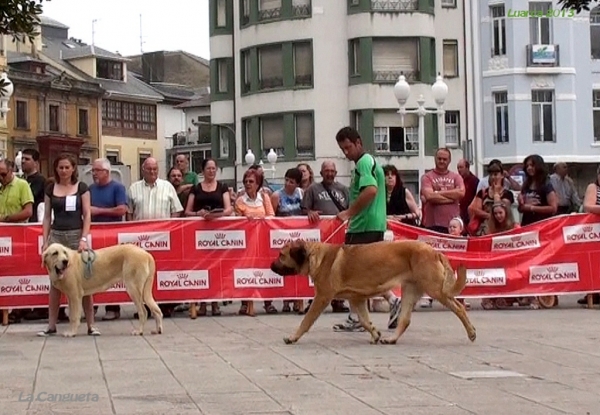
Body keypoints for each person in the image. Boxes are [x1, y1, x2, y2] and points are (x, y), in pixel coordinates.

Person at [332, 126, 401, 332]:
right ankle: (390, 301)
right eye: (342, 149)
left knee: (352, 274)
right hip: (369, 224)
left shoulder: (364, 162)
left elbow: (370, 190)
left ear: (358, 142)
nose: (346, 153)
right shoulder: (367, 163)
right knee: (365, 274)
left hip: (365, 225)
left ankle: (359, 317)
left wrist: (348, 212)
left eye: (348, 147)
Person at [37, 153, 99, 337]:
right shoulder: (50, 188)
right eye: (60, 167)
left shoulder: (81, 188)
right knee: (55, 283)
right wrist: (45, 240)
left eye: (67, 167)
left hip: (76, 237)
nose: (63, 171)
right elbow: (47, 216)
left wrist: (84, 238)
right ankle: (51, 325)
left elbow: (87, 214)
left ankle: (90, 325)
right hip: (57, 237)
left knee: (84, 281)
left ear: (73, 169)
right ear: (56, 169)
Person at [127, 157, 184, 317]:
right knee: (141, 274)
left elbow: (176, 210)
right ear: (143, 170)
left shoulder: (167, 187)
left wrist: (170, 227)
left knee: (163, 271)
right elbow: (129, 213)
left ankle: (164, 305)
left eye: (155, 169)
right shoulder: (133, 188)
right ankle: (143, 308)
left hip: (163, 239)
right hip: (140, 240)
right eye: (149, 169)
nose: (152, 172)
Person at [301, 160, 350, 314]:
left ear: (335, 173)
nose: (329, 173)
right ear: (321, 173)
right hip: (320, 237)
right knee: (318, 269)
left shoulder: (343, 189)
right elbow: (303, 208)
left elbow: (350, 208)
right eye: (326, 171)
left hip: (339, 235)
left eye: (332, 171)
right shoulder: (312, 189)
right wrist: (309, 212)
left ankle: (338, 300)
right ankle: (314, 300)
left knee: (338, 268)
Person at [185, 158, 233, 316]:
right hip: (200, 234)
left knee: (217, 268)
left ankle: (215, 303)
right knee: (202, 268)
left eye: (214, 169)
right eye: (208, 169)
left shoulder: (222, 187)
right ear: (203, 170)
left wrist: (215, 215)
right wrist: (198, 214)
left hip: (218, 234)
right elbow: (187, 211)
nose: (211, 171)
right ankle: (203, 303)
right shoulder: (196, 188)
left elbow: (228, 209)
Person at [89, 158, 128, 321]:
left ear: (106, 172)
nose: (94, 174)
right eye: (93, 171)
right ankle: (93, 305)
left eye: (96, 170)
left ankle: (113, 307)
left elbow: (122, 209)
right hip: (94, 235)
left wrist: (98, 211)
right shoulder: (90, 189)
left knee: (111, 272)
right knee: (92, 271)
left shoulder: (118, 188)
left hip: (112, 235)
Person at [234, 168, 275, 315]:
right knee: (245, 271)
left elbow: (271, 215)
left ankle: (268, 302)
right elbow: (236, 221)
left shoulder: (264, 198)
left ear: (258, 183)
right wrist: (245, 221)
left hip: (262, 241)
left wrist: (260, 221)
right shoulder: (240, 201)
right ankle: (244, 303)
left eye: (251, 181)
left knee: (265, 270)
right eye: (245, 181)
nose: (247, 184)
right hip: (246, 243)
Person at [271, 167, 304, 313]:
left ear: (297, 184)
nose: (288, 184)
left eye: (291, 182)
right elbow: (270, 218)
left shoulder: (301, 194)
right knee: (285, 266)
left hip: (297, 236)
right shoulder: (277, 195)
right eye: (286, 180)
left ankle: (298, 300)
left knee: (298, 266)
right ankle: (285, 300)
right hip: (281, 235)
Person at [420, 148, 465, 234]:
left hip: (453, 225)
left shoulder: (456, 177)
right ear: (435, 159)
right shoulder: (426, 177)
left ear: (449, 161)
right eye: (439, 158)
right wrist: (452, 199)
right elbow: (429, 196)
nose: (441, 161)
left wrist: (437, 193)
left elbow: (461, 193)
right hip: (432, 225)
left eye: (445, 159)